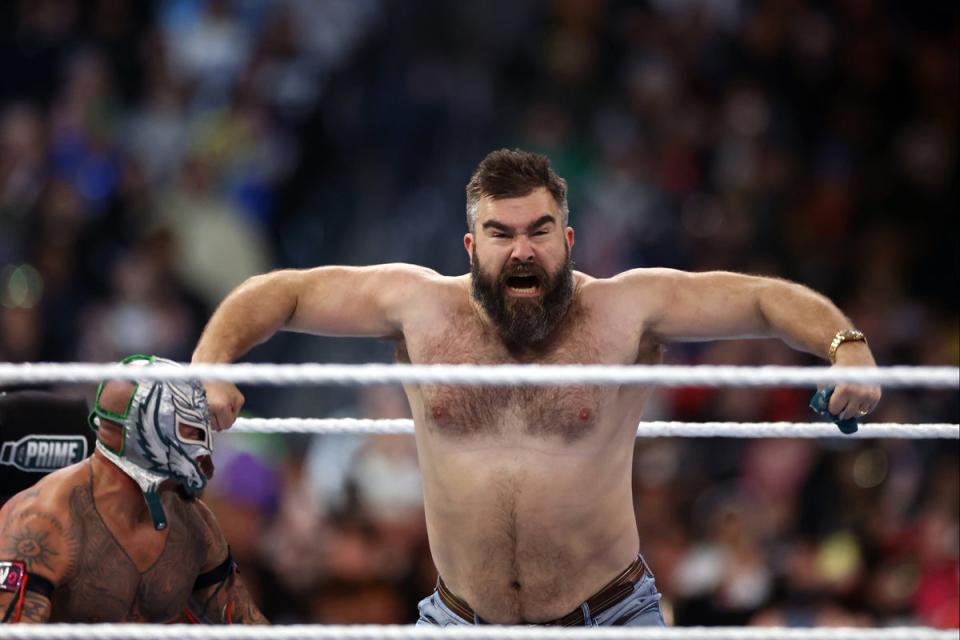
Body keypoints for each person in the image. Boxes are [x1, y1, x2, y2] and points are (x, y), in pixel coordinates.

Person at [191, 149, 881, 626]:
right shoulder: (417, 307)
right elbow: (279, 292)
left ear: (568, 239)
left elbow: (761, 300)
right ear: (471, 248)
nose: (522, 250)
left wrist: (846, 349)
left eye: (539, 231)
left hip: (610, 618)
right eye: (501, 233)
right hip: (460, 620)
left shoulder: (627, 309)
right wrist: (212, 364)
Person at [0, 355, 268, 624]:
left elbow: (247, 625)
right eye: (192, 431)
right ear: (147, 432)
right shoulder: (42, 524)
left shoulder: (195, 525)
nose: (205, 448)